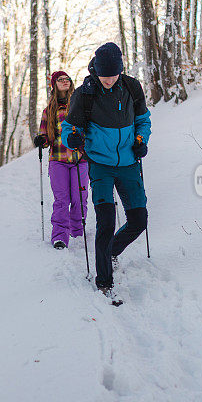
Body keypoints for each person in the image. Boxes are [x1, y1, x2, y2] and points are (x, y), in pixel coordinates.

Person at [61, 42, 151, 293]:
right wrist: (73, 138)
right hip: (100, 164)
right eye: (104, 75)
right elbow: (70, 127)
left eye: (113, 75)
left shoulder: (132, 87)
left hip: (129, 163)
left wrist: (141, 141)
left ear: (120, 71)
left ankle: (112, 251)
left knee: (138, 220)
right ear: (96, 71)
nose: (108, 80)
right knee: (106, 221)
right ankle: (104, 281)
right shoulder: (85, 93)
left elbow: (143, 120)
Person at [33, 71, 89, 250]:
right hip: (58, 159)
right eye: (60, 80)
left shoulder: (80, 105)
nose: (65, 82)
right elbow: (45, 135)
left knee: (80, 197)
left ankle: (77, 231)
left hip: (80, 158)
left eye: (67, 79)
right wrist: (41, 140)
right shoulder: (49, 110)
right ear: (54, 85)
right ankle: (59, 236)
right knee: (62, 199)